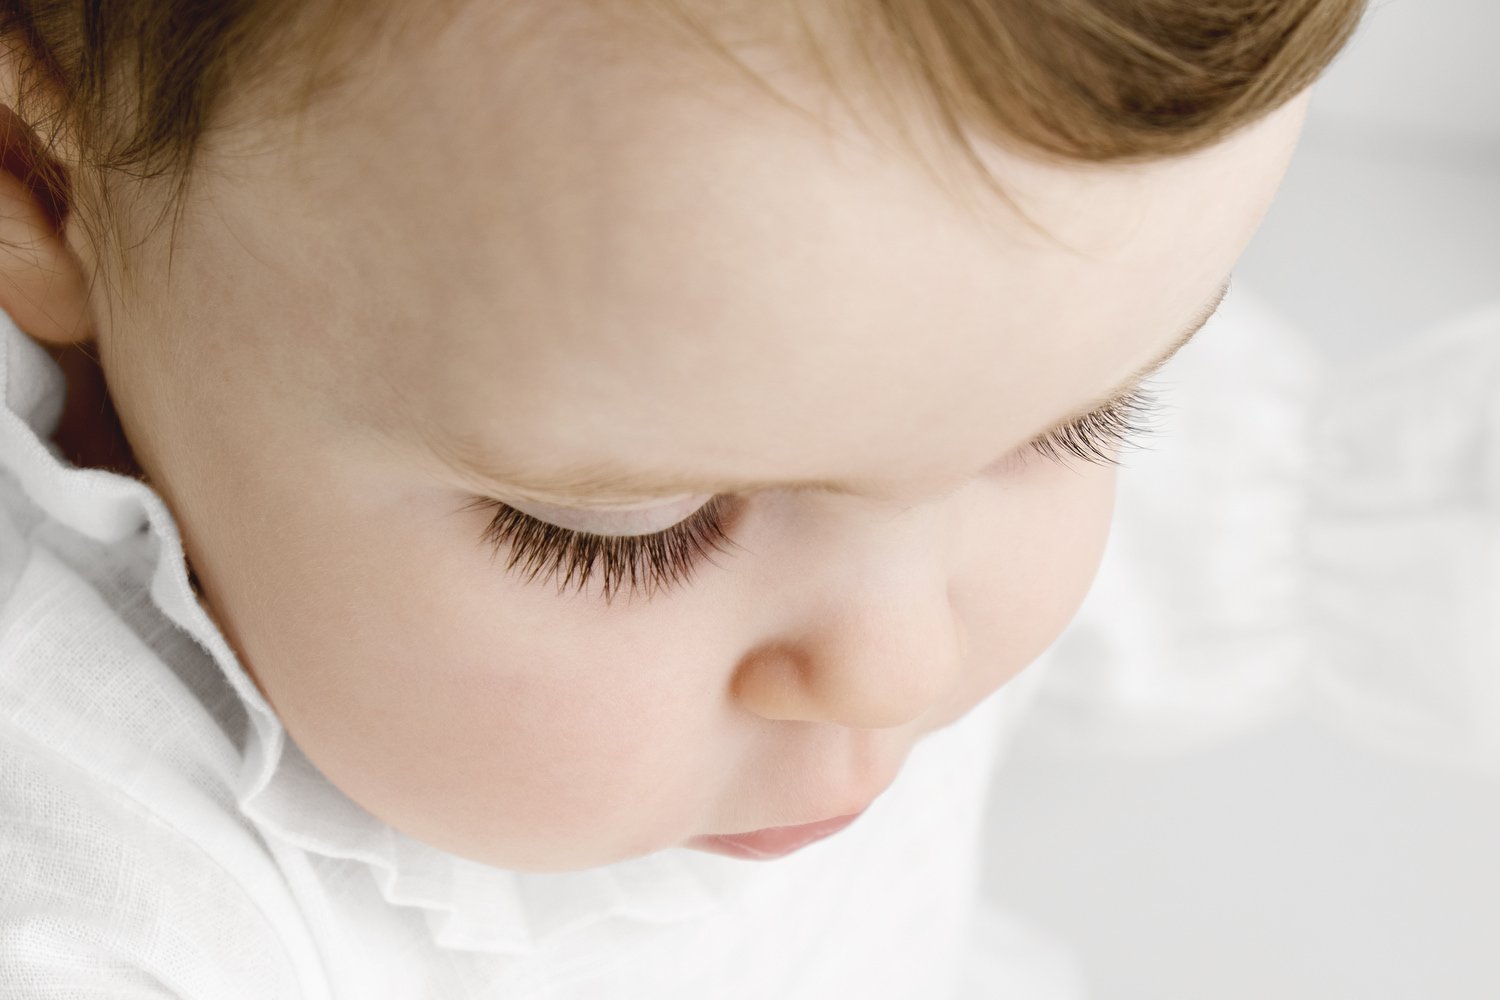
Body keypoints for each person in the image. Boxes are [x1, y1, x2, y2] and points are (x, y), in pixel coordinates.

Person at [0, 1, 1367, 996]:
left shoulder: (939, 343)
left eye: (1087, 418)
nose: (904, 668)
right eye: (633, 530)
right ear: (44, 179)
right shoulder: (91, 907)